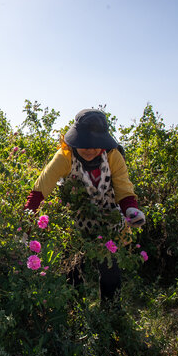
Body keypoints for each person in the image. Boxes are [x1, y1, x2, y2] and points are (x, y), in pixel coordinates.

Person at [23, 109, 145, 301]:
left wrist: (131, 209)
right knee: (73, 271)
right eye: (85, 144)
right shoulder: (64, 156)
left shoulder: (113, 155)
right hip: (77, 221)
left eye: (95, 144)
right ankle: (75, 316)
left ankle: (112, 315)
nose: (90, 149)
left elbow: (123, 188)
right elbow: (40, 189)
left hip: (109, 220)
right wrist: (26, 222)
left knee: (110, 270)